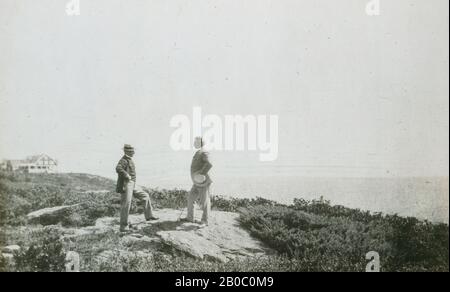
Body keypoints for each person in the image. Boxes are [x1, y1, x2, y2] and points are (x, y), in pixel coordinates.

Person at [116, 144, 158, 232]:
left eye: (133, 151)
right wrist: (126, 175)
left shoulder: (129, 159)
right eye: (132, 151)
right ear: (127, 151)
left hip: (133, 184)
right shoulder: (123, 160)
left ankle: (149, 216)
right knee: (126, 204)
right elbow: (118, 168)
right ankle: (123, 227)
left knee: (145, 196)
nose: (133, 152)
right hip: (126, 184)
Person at [183, 137, 213, 226]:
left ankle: (205, 221)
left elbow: (209, 164)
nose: (194, 143)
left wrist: (200, 173)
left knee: (205, 202)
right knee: (190, 198)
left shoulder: (204, 152)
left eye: (195, 142)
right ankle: (189, 218)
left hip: (203, 181)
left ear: (200, 143)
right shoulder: (198, 152)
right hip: (196, 182)